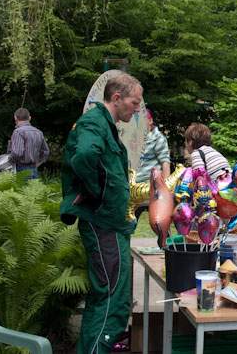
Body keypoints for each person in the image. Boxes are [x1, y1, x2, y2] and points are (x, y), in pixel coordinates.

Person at [60, 73, 143, 354]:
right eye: (134, 102)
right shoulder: (94, 123)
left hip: (110, 223)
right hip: (103, 223)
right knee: (111, 300)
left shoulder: (105, 125)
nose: (137, 109)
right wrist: (96, 192)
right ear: (117, 98)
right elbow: (84, 156)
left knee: (106, 297)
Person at [8, 107, 50, 179]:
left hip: (21, 169)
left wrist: (9, 160)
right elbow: (46, 152)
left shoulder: (18, 132)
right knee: (32, 187)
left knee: (21, 187)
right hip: (34, 169)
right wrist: (38, 163)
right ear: (29, 118)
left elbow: (17, 153)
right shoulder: (39, 132)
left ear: (15, 118)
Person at [135, 108, 171, 182]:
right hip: (132, 183)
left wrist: (166, 184)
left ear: (150, 121)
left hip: (150, 183)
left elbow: (165, 162)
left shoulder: (158, 138)